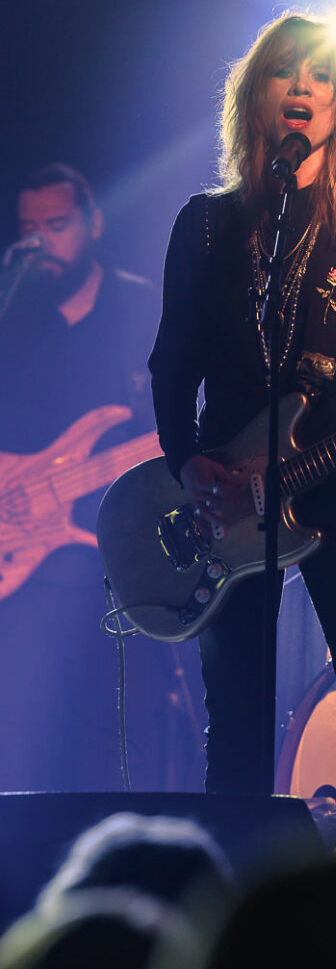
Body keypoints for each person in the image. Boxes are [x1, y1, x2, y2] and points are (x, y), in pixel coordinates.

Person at [148, 12, 336, 880]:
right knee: (235, 726)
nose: (304, 86)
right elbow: (172, 363)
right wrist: (186, 460)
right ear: (259, 97)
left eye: (323, 74)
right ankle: (232, 907)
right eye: (287, 71)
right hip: (230, 506)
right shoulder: (208, 227)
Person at [0, 163, 203, 791]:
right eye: (28, 228)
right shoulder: (15, 319)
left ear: (94, 223)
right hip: (27, 565)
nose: (39, 241)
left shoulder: (140, 309)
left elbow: (180, 412)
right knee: (23, 740)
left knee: (111, 736)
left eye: (56, 224)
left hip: (116, 558)